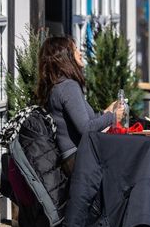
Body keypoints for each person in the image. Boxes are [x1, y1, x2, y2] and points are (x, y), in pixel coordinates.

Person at [36, 37, 125, 177]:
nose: (80, 53)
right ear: (66, 57)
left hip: (72, 158)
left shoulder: (58, 85)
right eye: (75, 49)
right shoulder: (68, 86)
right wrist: (113, 117)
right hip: (77, 159)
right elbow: (85, 129)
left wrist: (105, 112)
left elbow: (83, 121)